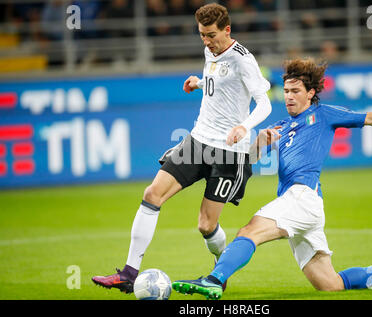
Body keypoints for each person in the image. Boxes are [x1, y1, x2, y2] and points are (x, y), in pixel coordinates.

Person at [172, 58, 372, 300]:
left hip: (302, 197)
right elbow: (251, 159)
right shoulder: (280, 125)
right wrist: (258, 143)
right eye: (287, 91)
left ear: (311, 93)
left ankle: (214, 280)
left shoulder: (324, 114)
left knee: (249, 232)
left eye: (295, 91)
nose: (289, 96)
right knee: (330, 285)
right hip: (302, 205)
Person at [92, 3, 272, 293]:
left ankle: (219, 274)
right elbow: (221, 86)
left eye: (211, 35)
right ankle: (128, 273)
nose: (206, 41)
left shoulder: (243, 60)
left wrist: (245, 126)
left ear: (227, 30)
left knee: (206, 224)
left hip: (229, 152)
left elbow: (265, 102)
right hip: (198, 141)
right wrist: (199, 83)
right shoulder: (209, 51)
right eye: (201, 34)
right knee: (152, 194)